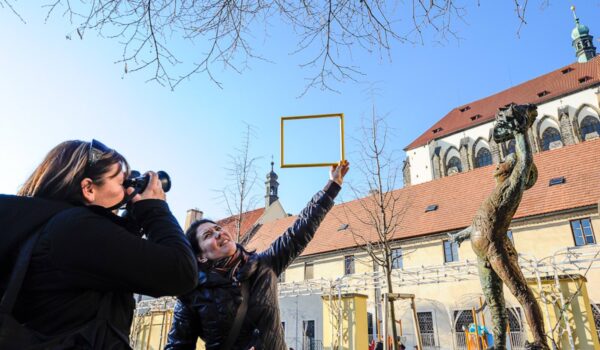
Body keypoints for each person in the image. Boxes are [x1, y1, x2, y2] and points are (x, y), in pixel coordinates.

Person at [0, 140, 198, 349]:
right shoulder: (74, 228)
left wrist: (131, 219)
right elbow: (181, 271)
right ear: (88, 188)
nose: (128, 190)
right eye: (122, 182)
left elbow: (108, 267)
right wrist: (154, 209)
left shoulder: (47, 225)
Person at [165, 160, 350, 350]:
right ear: (201, 256)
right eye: (208, 235)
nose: (219, 233)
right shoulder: (191, 295)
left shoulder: (265, 265)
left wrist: (332, 187)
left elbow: (299, 230)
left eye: (218, 228)